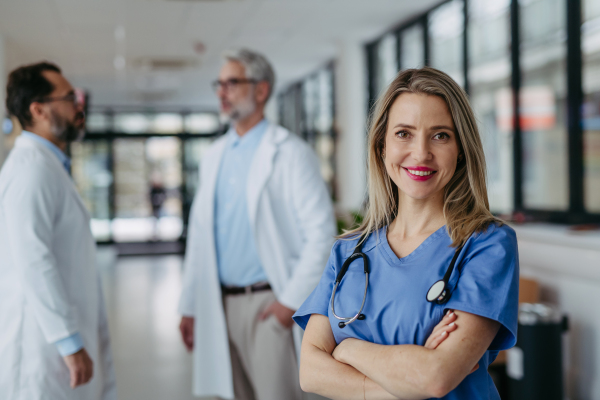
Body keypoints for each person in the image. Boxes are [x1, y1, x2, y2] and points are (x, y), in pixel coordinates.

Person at [293, 67, 519, 400]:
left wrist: (348, 350)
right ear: (382, 146)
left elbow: (435, 378)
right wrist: (403, 382)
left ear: (460, 150)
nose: (421, 153)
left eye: (440, 135)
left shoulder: (486, 244)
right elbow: (310, 373)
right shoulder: (348, 253)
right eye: (404, 133)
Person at [177, 48, 337, 400]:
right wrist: (189, 306)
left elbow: (322, 234)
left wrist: (287, 304)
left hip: (268, 303)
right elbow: (200, 240)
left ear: (261, 90)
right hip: (218, 303)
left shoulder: (291, 153)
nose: (221, 92)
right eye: (219, 84)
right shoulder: (214, 156)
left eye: (232, 83)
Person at [0, 62, 116, 400]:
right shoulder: (31, 171)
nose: (79, 105)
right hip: (42, 348)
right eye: (69, 98)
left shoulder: (48, 167)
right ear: (38, 110)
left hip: (54, 340)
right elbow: (34, 260)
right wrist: (69, 341)